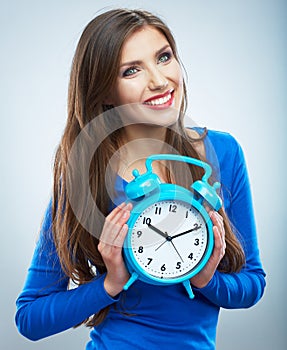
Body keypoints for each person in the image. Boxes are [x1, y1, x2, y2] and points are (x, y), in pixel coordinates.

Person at [15, 8, 266, 350]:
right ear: (104, 92)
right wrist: (110, 284)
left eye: (164, 57)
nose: (159, 81)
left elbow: (252, 283)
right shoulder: (85, 175)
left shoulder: (223, 152)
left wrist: (208, 279)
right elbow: (30, 318)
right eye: (131, 70)